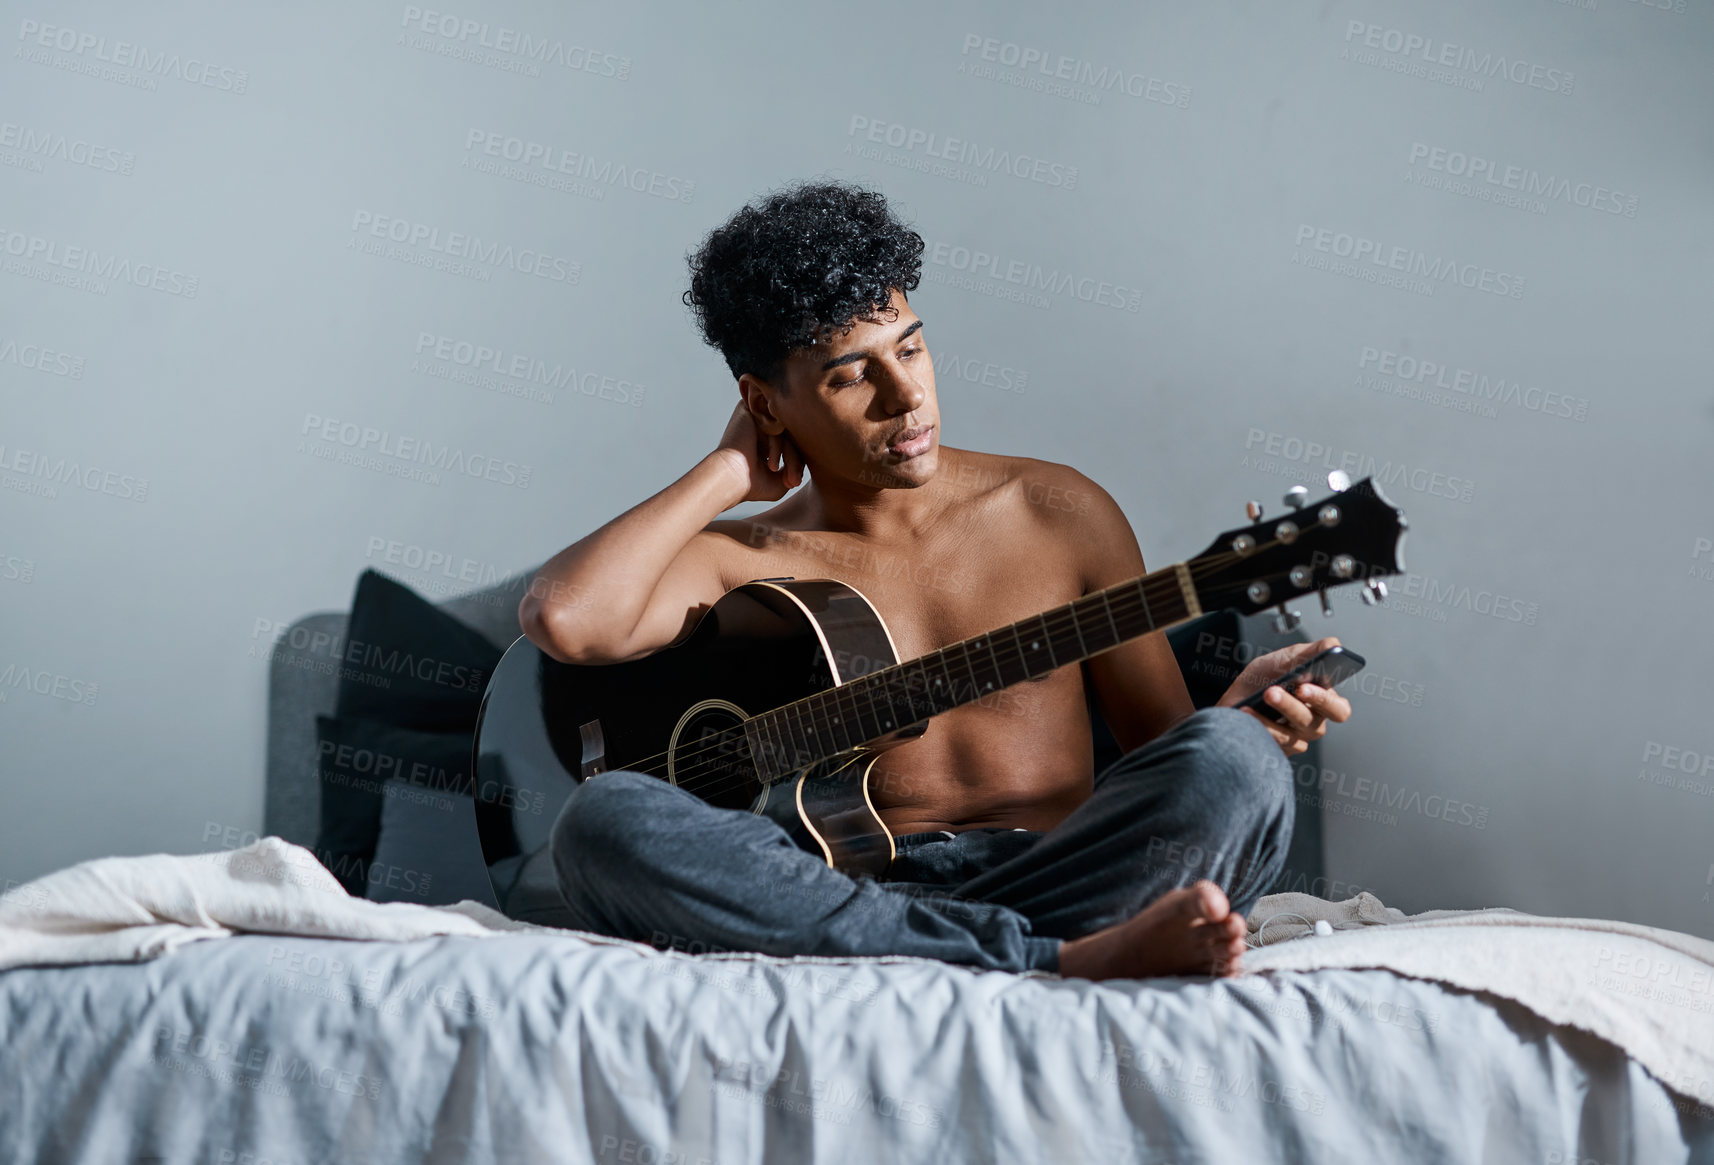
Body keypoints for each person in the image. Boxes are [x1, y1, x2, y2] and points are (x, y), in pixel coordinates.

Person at [518, 179, 1351, 981]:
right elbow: (563, 615)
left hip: (1062, 881)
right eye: (852, 375)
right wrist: (728, 470)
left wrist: (1241, 715)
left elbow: (1165, 757)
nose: (907, 395)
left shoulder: (1057, 511)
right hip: (839, 898)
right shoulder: (739, 560)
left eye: (910, 347)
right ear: (764, 401)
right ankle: (1044, 962)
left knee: (1240, 764)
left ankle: (994, 948)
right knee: (601, 821)